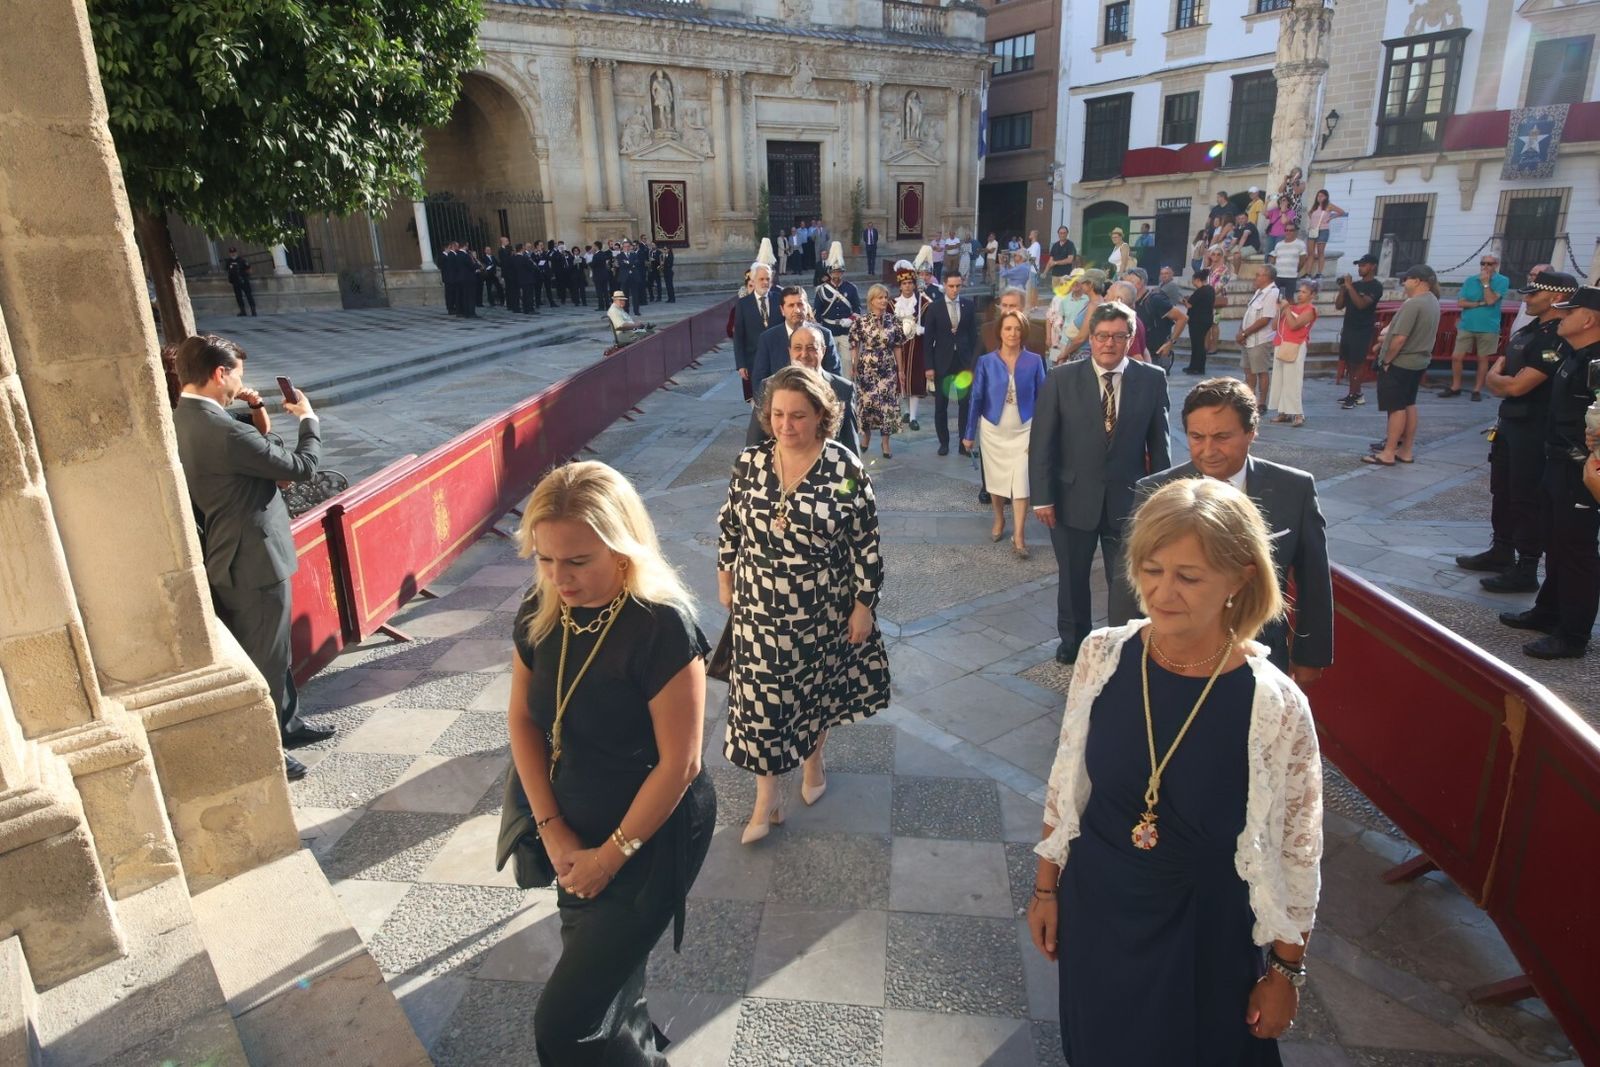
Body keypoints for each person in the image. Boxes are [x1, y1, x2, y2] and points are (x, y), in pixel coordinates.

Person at [1028, 477, 1322, 1065]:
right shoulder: (1102, 655)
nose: (1162, 592)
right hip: (1097, 908)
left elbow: (1298, 845)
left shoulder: (1275, 704)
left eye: (1188, 577)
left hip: (1203, 928)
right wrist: (1045, 887)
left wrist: (1285, 971)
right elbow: (1067, 780)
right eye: (1151, 569)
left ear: (1240, 578)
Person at [507, 461, 714, 1065]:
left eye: (577, 561)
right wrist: (554, 830)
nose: (559, 577)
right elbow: (523, 721)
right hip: (572, 827)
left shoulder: (660, 626)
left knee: (564, 1023)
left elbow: (681, 764)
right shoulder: (542, 607)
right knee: (610, 992)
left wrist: (609, 857)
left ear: (622, 550)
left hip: (650, 835)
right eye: (546, 558)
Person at [718, 364, 891, 841]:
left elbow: (866, 541)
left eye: (797, 415)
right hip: (757, 607)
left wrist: (864, 604)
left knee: (813, 696)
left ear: (820, 416)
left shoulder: (845, 469)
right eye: (778, 414)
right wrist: (725, 574)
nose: (786, 425)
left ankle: (813, 759)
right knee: (760, 704)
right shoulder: (750, 463)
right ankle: (766, 796)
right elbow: (730, 524)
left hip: (820, 607)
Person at [172, 334, 328, 782]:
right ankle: (269, 748)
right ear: (219, 373)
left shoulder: (185, 417)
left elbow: (258, 459)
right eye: (237, 375)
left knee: (275, 652)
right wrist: (309, 419)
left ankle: (289, 725)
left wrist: (256, 407)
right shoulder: (224, 430)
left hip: (235, 554)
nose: (241, 383)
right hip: (253, 561)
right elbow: (301, 467)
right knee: (265, 661)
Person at [1139, 378, 1333, 681]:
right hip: (1173, 656)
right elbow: (1131, 584)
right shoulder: (1155, 491)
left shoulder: (1295, 490)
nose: (1208, 450)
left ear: (1251, 432)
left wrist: (1310, 656)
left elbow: (1314, 581)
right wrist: (1131, 654)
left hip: (1262, 656)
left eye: (1222, 437)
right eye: (1197, 437)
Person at [1031, 301, 1172, 664]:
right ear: (1091, 338)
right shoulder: (1061, 379)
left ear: (1130, 338)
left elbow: (1160, 447)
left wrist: (1162, 504)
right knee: (1072, 578)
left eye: (1118, 336)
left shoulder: (1152, 379)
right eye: (1102, 336)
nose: (1109, 343)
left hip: (1129, 502)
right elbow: (1042, 442)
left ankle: (1125, 644)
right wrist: (1042, 497)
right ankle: (1073, 642)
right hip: (1071, 498)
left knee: (1126, 581)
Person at [1458, 271, 1579, 592]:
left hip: (1534, 427)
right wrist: (1500, 381)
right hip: (1510, 422)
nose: (1527, 299)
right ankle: (1501, 550)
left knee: (1526, 496)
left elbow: (1517, 385)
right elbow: (1500, 374)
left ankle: (1526, 567)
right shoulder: (1529, 330)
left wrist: (1500, 381)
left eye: (1534, 294)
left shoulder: (1556, 337)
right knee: (1503, 491)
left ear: (1555, 297)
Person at [1500, 285, 1600, 659]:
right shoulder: (1575, 355)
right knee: (1556, 542)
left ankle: (1573, 634)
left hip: (1581, 468)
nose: (1562, 317)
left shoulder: (1597, 362)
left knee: (1577, 551)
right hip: (1556, 461)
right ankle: (1549, 611)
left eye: (1570, 312)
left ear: (1588, 320)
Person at [964, 308, 1047, 558]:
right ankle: (999, 517)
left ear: (1024, 332)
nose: (1013, 333)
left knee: (1022, 481)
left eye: (1017, 329)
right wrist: (969, 433)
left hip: (1025, 428)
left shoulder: (1034, 361)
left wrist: (1044, 432)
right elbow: (976, 398)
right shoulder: (986, 362)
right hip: (993, 429)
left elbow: (1043, 399)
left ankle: (1019, 536)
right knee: (997, 481)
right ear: (1000, 332)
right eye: (1008, 328)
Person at [1364, 265, 1441, 467]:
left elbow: (1400, 338)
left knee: (1396, 407)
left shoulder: (1414, 304)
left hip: (1402, 361)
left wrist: (1386, 360)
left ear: (1418, 281)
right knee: (1409, 404)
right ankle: (1406, 450)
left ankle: (1388, 452)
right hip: (1418, 361)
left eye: (1406, 279)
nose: (1404, 283)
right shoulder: (1432, 301)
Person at [746, 322, 861, 456]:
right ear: (790, 351)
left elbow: (850, 445)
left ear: (823, 351)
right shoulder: (769, 386)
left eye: (811, 348)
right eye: (798, 348)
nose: (804, 354)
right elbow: (754, 442)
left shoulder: (843, 389)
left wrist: (853, 469)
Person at [850, 283, 910, 457]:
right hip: (867, 368)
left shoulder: (893, 320)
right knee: (867, 404)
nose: (884, 300)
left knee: (887, 406)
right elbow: (854, 345)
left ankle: (885, 443)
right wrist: (854, 366)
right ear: (871, 301)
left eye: (885, 297)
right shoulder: (861, 322)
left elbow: (898, 346)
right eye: (880, 298)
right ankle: (866, 437)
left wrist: (900, 370)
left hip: (887, 367)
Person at [751, 285, 841, 401]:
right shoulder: (768, 339)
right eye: (791, 305)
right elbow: (759, 380)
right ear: (782, 310)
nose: (797, 310)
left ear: (807, 307)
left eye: (800, 304)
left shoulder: (824, 335)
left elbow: (834, 374)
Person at [925, 271, 978, 457]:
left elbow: (973, 336)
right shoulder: (935, 308)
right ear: (944, 286)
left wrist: (975, 363)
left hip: (963, 362)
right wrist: (929, 366)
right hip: (942, 361)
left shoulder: (968, 305)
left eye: (958, 286)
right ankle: (944, 443)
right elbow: (928, 339)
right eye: (951, 286)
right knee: (941, 405)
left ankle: (964, 444)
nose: (955, 289)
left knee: (965, 404)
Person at [1443, 253, 1510, 401]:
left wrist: (1486, 284)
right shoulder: (1470, 280)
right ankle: (1455, 386)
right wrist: (1480, 303)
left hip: (1488, 326)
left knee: (1482, 358)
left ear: (1496, 265)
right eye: (1483, 263)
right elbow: (1461, 303)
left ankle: (1477, 390)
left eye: (1489, 264)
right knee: (1456, 357)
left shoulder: (1502, 281)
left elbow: (1491, 300)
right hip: (1467, 324)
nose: (1485, 266)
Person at [1336, 254, 1385, 409]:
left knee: (1357, 363)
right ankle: (1356, 393)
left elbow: (1361, 304)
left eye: (1363, 265)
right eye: (1359, 265)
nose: (1360, 268)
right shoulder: (1355, 285)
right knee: (1349, 362)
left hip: (1362, 330)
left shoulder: (1376, 286)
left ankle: (1353, 395)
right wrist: (1343, 290)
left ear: (1373, 266)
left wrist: (1350, 287)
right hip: (1348, 327)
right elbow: (1339, 306)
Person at [1269, 280, 1317, 428]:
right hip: (1281, 343)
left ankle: (1298, 413)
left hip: (1296, 344)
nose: (1300, 294)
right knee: (1279, 379)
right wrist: (1280, 310)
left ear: (1312, 295)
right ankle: (1283, 412)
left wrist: (1287, 310)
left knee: (1293, 380)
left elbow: (1294, 325)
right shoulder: (1291, 307)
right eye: (1299, 291)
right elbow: (1274, 326)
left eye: (1304, 292)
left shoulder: (1310, 310)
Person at [734, 262, 783, 402]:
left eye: (768, 279)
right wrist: (741, 364)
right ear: (753, 280)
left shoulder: (779, 299)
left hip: (778, 361)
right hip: (754, 362)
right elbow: (739, 336)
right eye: (761, 279)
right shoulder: (743, 304)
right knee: (759, 401)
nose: (765, 282)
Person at [893, 262, 932, 433]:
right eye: (904, 283)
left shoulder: (923, 303)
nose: (908, 286)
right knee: (900, 380)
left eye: (910, 283)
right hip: (899, 347)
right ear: (900, 285)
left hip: (917, 346)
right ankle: (906, 411)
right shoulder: (892, 304)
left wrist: (923, 329)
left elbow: (933, 325)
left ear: (914, 284)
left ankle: (914, 417)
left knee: (915, 379)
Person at [1127, 268, 1187, 372]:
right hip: (1138, 354)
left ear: (1140, 283)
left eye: (1130, 282)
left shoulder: (1155, 300)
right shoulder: (1131, 302)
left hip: (1155, 355)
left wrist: (1170, 343)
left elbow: (1182, 318)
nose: (1126, 286)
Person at [1237, 265, 1280, 406]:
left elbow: (1265, 319)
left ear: (1267, 277)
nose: (1255, 277)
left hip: (1260, 340)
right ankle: (1250, 400)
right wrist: (1241, 331)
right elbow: (1249, 313)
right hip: (1248, 339)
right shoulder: (1259, 292)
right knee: (1248, 371)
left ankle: (1262, 402)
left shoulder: (1272, 293)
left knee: (1261, 371)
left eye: (1258, 275)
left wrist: (1245, 333)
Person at [815, 246, 862, 369]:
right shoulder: (822, 290)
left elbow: (857, 309)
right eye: (834, 272)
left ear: (843, 272)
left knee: (848, 363)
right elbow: (817, 313)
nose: (837, 274)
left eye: (839, 272)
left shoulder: (851, 288)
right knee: (829, 364)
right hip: (829, 330)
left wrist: (850, 319)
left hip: (846, 331)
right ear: (829, 273)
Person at [1304, 190, 1346, 278]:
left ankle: (1319, 273)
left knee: (1320, 252)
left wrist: (1331, 218)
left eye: (1322, 196)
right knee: (1310, 252)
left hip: (1323, 230)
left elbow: (1341, 212)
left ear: (1326, 197)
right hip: (1313, 230)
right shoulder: (1315, 206)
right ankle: (1308, 273)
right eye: (1318, 196)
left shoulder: (1329, 205)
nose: (1319, 198)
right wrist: (1313, 223)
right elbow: (1310, 214)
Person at [1183, 269, 1217, 376]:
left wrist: (1184, 301)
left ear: (1197, 280)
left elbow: (1189, 305)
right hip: (1207, 319)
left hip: (1197, 320)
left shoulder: (1200, 291)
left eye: (1193, 280)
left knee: (1196, 344)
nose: (1193, 283)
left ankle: (1195, 367)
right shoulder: (1210, 289)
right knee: (1200, 343)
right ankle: (1198, 366)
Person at [1270, 223, 1307, 299]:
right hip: (1278, 275)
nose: (1288, 232)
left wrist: (1296, 270)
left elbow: (1303, 259)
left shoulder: (1300, 244)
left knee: (1289, 299)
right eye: (1286, 230)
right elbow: (1273, 257)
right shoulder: (1279, 244)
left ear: (1295, 232)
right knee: (1274, 298)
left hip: (1291, 276)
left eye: (1291, 230)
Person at [224, 247, 257, 317]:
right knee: (238, 296)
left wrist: (247, 276)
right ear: (229, 253)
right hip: (235, 281)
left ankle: (253, 310)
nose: (233, 254)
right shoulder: (228, 261)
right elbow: (227, 270)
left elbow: (249, 269)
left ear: (236, 252)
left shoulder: (242, 260)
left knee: (248, 295)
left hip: (243, 280)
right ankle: (243, 311)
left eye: (234, 252)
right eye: (231, 253)